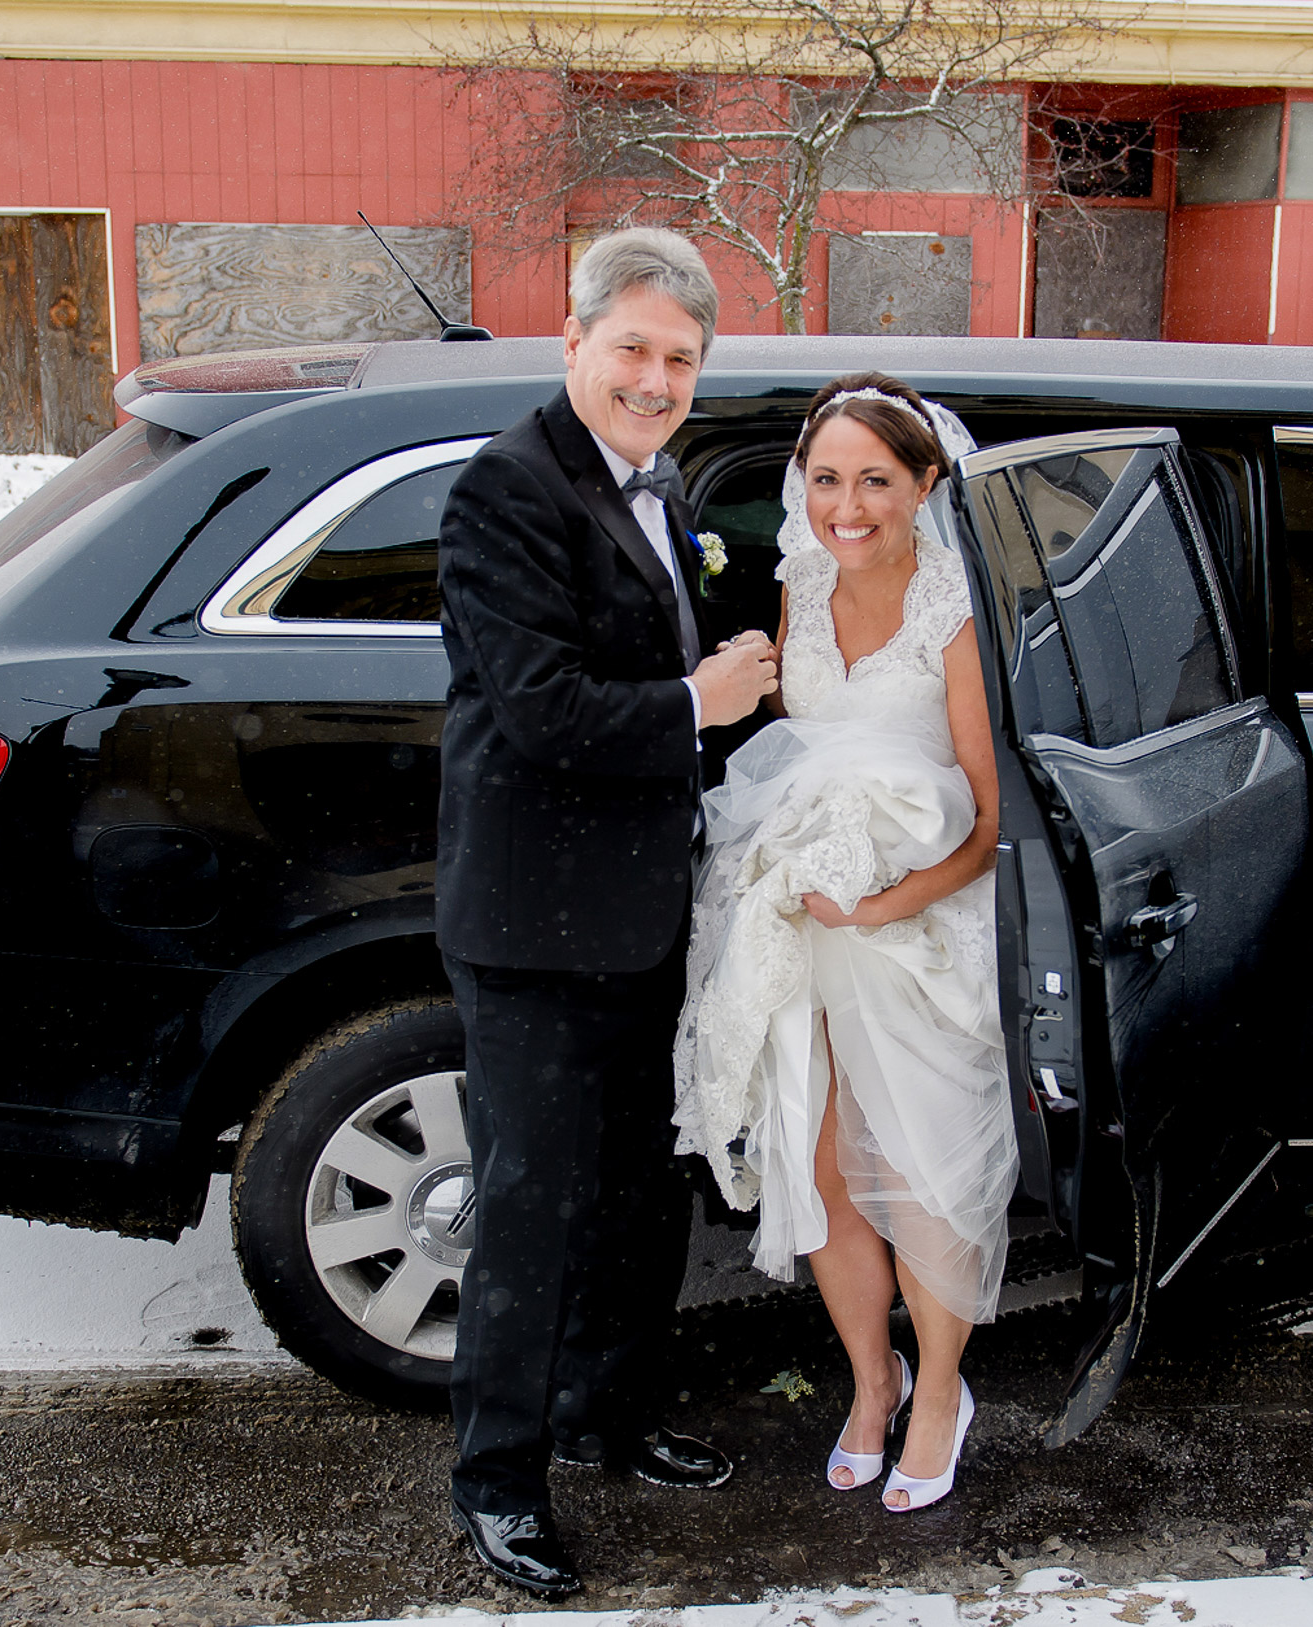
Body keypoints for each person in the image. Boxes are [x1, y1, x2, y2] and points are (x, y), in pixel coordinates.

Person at [435, 228, 780, 1595]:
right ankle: (498, 1479)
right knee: (531, 1204)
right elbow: (538, 708)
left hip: (641, 908)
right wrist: (702, 702)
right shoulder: (506, 491)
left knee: (640, 1190)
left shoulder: (664, 478)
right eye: (631, 348)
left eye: (679, 357)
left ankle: (610, 1414)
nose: (654, 376)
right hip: (533, 922)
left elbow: (661, 635)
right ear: (572, 341)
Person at [673, 372, 1017, 1514]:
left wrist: (883, 904)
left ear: (926, 484)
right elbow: (801, 750)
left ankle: (940, 1396)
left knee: (920, 1174)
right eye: (826, 478)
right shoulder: (799, 588)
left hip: (916, 925)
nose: (846, 505)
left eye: (876, 478)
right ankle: (874, 1381)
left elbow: (985, 817)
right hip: (803, 920)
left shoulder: (955, 611)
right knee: (819, 1169)